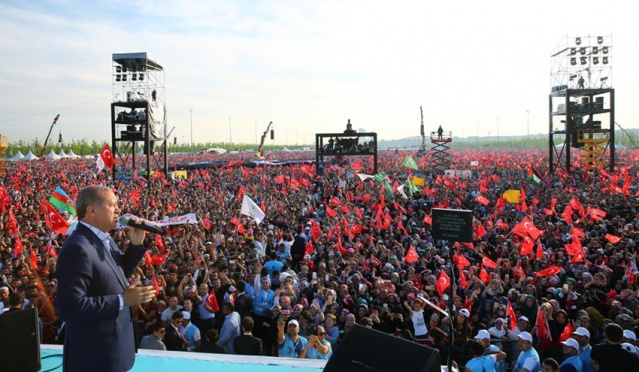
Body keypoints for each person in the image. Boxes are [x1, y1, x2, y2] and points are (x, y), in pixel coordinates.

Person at [54, 185, 155, 372]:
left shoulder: (104, 238)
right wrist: (122, 301)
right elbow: (69, 308)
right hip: (95, 357)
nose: (119, 210)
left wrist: (135, 245)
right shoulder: (78, 248)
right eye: (112, 205)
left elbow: (116, 275)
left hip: (114, 350)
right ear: (91, 210)